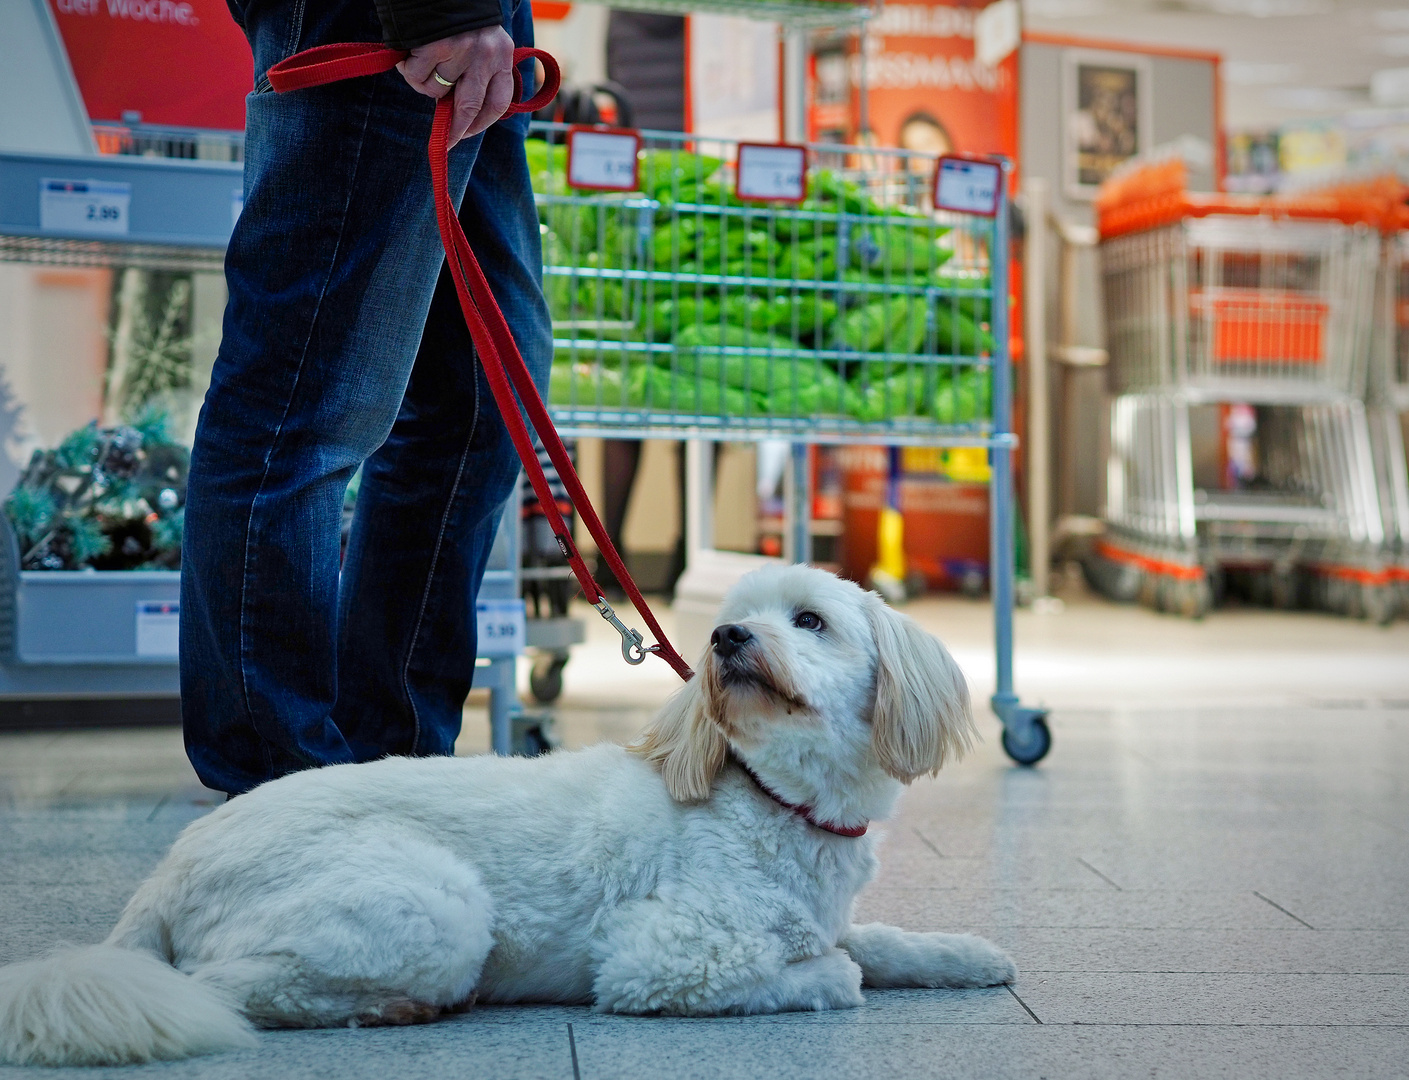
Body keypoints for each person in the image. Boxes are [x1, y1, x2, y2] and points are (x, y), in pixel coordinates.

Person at [180, 0, 551, 797]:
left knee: (477, 408)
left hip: (481, 22)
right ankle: (278, 783)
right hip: (387, 13)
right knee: (298, 409)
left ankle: (396, 770)